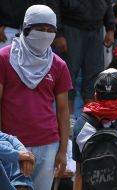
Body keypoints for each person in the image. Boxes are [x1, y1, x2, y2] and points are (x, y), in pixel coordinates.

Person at [0, 5, 72, 190]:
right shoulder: (4, 58)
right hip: (11, 147)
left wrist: (63, 151)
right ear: (26, 28)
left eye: (50, 31)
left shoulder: (59, 65)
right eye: (40, 29)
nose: (45, 35)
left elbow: (63, 111)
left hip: (47, 144)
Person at [54, 0, 115, 121]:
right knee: (67, 77)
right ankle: (68, 121)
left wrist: (110, 29)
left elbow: (107, 2)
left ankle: (91, 121)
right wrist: (58, 33)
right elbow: (54, 4)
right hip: (70, 26)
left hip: (96, 28)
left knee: (95, 79)